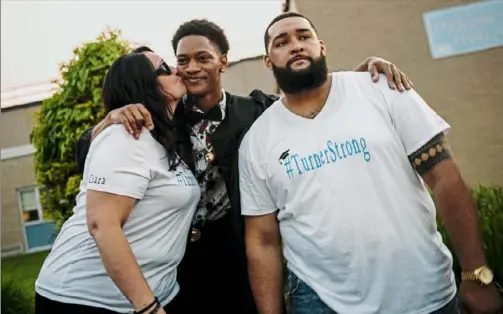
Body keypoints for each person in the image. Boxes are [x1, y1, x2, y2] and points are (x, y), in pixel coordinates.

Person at [76, 19, 414, 313]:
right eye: (182, 61)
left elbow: (309, 98)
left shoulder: (256, 111)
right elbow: (94, 152)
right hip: (180, 267)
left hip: (239, 255)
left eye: (203, 58)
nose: (192, 68)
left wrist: (362, 72)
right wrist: (109, 120)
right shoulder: (160, 120)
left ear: (223, 62)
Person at [239, 12, 503, 314]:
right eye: (281, 42)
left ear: (321, 46)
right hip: (321, 303)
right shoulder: (257, 141)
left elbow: (445, 177)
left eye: (304, 36)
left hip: (425, 293)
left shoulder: (382, 89)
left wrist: (476, 275)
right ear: (268, 61)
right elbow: (262, 240)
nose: (296, 45)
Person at [35, 50, 200, 314]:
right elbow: (103, 225)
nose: (178, 70)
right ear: (143, 84)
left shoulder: (163, 137)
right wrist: (148, 307)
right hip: (87, 298)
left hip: (160, 290)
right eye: (165, 68)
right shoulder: (126, 137)